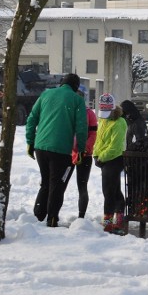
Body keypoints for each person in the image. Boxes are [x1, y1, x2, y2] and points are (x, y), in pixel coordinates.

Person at [25, 72, 88, 227]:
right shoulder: (77, 100)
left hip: (41, 147)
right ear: (76, 86)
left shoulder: (45, 95)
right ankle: (52, 218)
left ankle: (38, 216)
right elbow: (81, 128)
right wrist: (80, 149)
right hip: (60, 149)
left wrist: (30, 142)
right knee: (57, 184)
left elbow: (31, 119)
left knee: (46, 182)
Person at [92, 94, 127, 234]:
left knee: (109, 191)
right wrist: (95, 154)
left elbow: (115, 146)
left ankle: (109, 222)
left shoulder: (119, 123)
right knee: (113, 190)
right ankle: (118, 219)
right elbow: (100, 140)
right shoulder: (104, 120)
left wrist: (102, 157)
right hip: (104, 159)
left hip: (114, 160)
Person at [69, 85, 97, 219]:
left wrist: (84, 148)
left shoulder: (89, 113)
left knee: (82, 186)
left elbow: (93, 134)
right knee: (61, 185)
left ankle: (81, 217)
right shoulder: (68, 111)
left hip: (83, 155)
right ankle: (53, 214)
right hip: (69, 154)